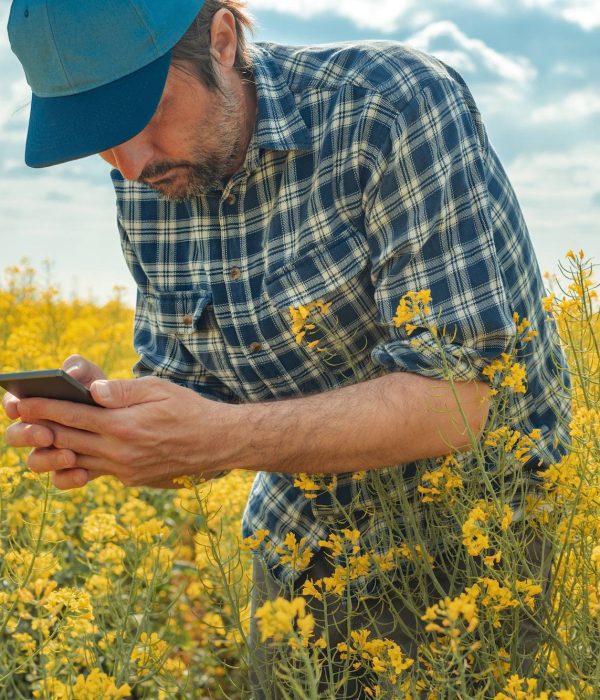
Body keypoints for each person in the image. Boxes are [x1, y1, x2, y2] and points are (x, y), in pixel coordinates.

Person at [4, 0, 570, 697]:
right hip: (299, 549)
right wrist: (119, 425)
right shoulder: (153, 177)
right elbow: (194, 397)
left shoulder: (392, 106)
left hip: (473, 549)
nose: (128, 165)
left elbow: (458, 401)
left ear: (220, 38)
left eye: (140, 115)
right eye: (102, 137)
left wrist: (216, 437)